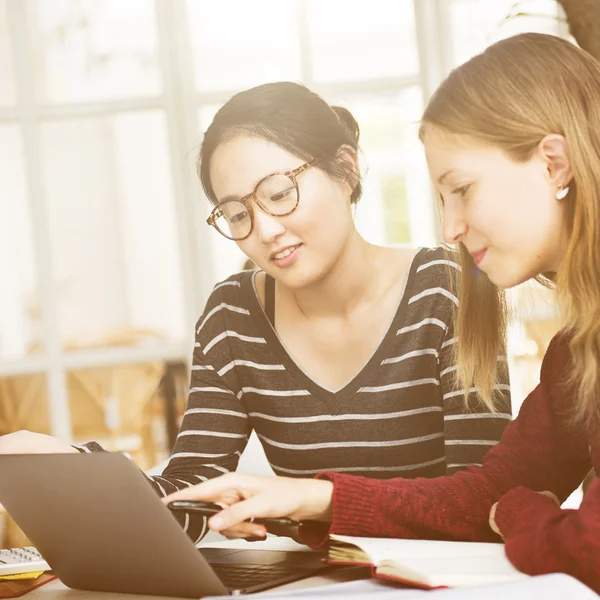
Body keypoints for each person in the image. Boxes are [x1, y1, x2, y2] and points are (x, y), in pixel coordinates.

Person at [161, 34, 600, 593]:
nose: (450, 229)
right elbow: (490, 492)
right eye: (235, 213)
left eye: (461, 189)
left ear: (554, 164)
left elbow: (583, 542)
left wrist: (514, 511)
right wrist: (311, 496)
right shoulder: (577, 349)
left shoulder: (449, 289)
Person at [0, 83, 510, 543]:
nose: (264, 231)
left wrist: (316, 502)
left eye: (279, 194)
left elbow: (481, 501)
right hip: (323, 586)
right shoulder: (234, 315)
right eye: (238, 213)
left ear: (346, 169)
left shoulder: (449, 290)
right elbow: (191, 499)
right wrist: (78, 468)